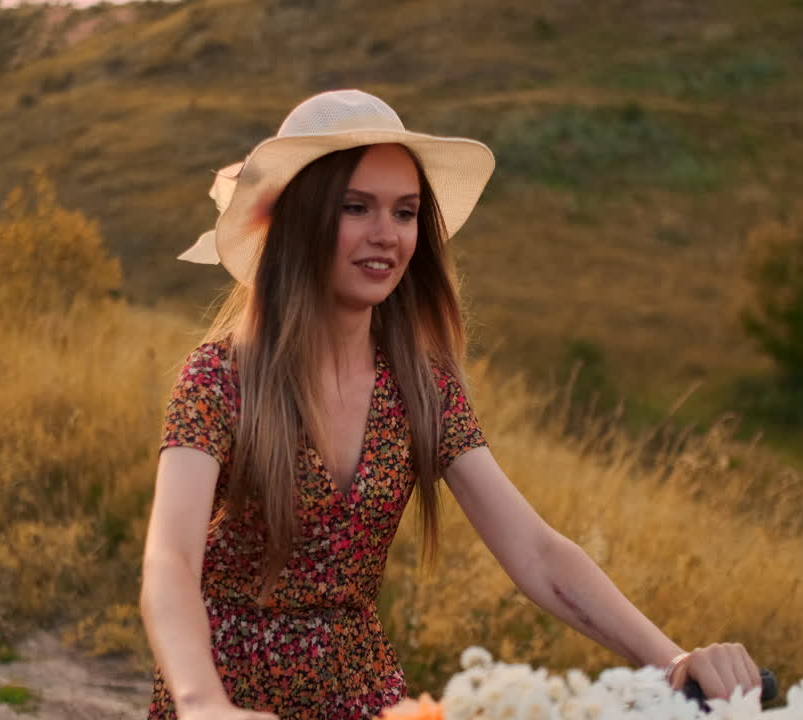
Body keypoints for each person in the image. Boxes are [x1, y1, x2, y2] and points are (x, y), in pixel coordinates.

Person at [139, 89, 762, 720]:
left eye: (405, 213)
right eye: (357, 207)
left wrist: (674, 661)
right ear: (302, 219)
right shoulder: (220, 378)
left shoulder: (421, 384)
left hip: (363, 699)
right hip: (227, 696)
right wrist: (200, 703)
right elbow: (171, 558)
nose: (387, 236)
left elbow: (538, 555)